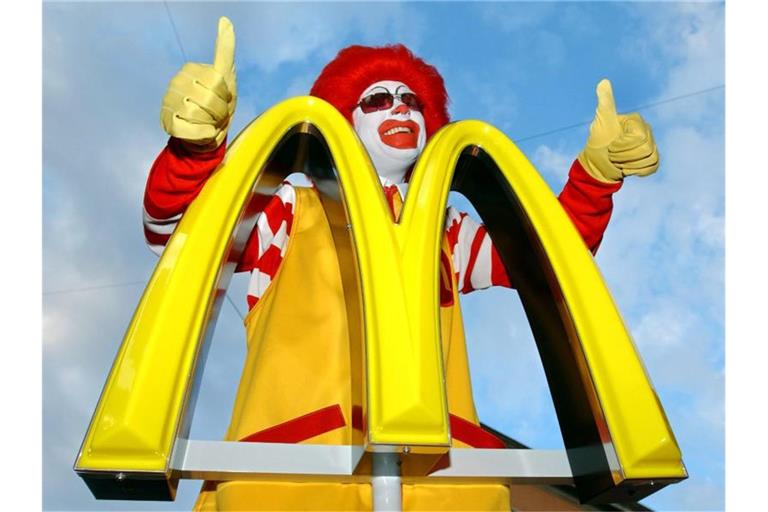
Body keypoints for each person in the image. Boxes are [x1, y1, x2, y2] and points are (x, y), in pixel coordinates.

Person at [143, 16, 659, 512]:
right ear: (344, 119)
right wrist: (194, 151)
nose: (401, 110)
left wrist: (595, 176)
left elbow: (549, 260)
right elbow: (179, 233)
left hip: (438, 480)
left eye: (412, 101)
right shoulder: (291, 207)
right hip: (296, 469)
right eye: (378, 99)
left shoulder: (444, 228)